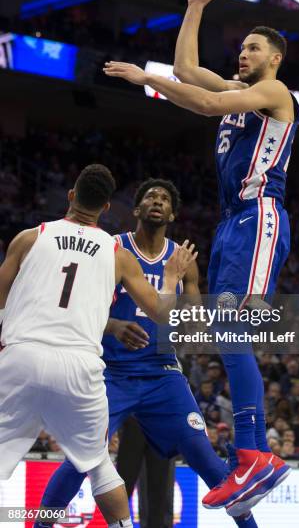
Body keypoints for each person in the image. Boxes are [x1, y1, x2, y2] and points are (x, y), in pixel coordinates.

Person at [103, 0, 299, 516]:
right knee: (226, 333)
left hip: (258, 214)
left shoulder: (275, 95)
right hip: (231, 225)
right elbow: (189, 72)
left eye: (255, 48)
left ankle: (254, 452)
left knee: (235, 331)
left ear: (276, 60)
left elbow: (208, 100)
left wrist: (148, 81)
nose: (244, 53)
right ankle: (252, 453)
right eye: (243, 47)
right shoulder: (240, 96)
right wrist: (195, 4)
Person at [35, 178, 258, 528]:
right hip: (111, 375)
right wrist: (113, 327)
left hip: (162, 375)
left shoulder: (183, 261)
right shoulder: (111, 249)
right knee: (80, 458)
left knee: (207, 459)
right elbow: (76, 306)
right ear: (136, 210)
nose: (157, 201)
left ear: (172, 213)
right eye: (150, 196)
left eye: (165, 198)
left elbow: (194, 329)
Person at [0, 165, 195, 528]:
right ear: (107, 208)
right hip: (79, 365)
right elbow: (163, 313)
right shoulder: (117, 252)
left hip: (21, 355)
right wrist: (170, 278)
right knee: (100, 467)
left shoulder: (30, 237)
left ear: (71, 196)